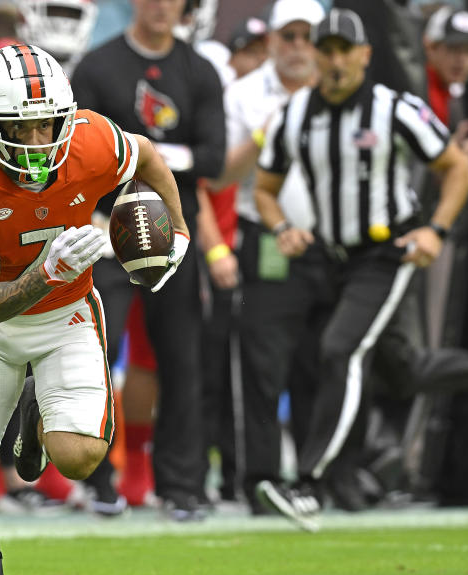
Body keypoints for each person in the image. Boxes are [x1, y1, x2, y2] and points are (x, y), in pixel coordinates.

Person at [0, 44, 189, 575]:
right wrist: (47, 271)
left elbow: (145, 156)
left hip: (67, 316)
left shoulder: (93, 140)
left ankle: (40, 407)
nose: (41, 141)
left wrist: (180, 232)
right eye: (22, 129)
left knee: (77, 457)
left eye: (50, 124)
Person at [252, 8, 468, 531]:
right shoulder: (293, 116)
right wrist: (281, 226)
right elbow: (265, 189)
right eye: (326, 50)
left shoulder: (394, 109)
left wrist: (436, 231)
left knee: (339, 349)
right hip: (335, 258)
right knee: (399, 373)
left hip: (387, 252)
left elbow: (456, 169)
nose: (334, 61)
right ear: (315, 55)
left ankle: (309, 483)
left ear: (365, 55)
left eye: (344, 50)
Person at [70, 0, 225, 520]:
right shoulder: (96, 66)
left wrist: (139, 154)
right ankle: (96, 479)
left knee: (181, 360)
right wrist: (97, 212)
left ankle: (182, 485)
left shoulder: (198, 70)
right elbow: (76, 149)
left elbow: (213, 156)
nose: (162, 6)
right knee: (94, 354)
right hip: (105, 234)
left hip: (173, 235)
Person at [210, 0, 324, 512]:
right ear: (274, 40)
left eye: (308, 36)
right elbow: (221, 176)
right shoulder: (244, 94)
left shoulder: (339, 90)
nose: (299, 46)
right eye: (290, 35)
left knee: (323, 361)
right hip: (267, 240)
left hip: (329, 241)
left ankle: (321, 477)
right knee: (263, 363)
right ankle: (260, 479)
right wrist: (268, 130)